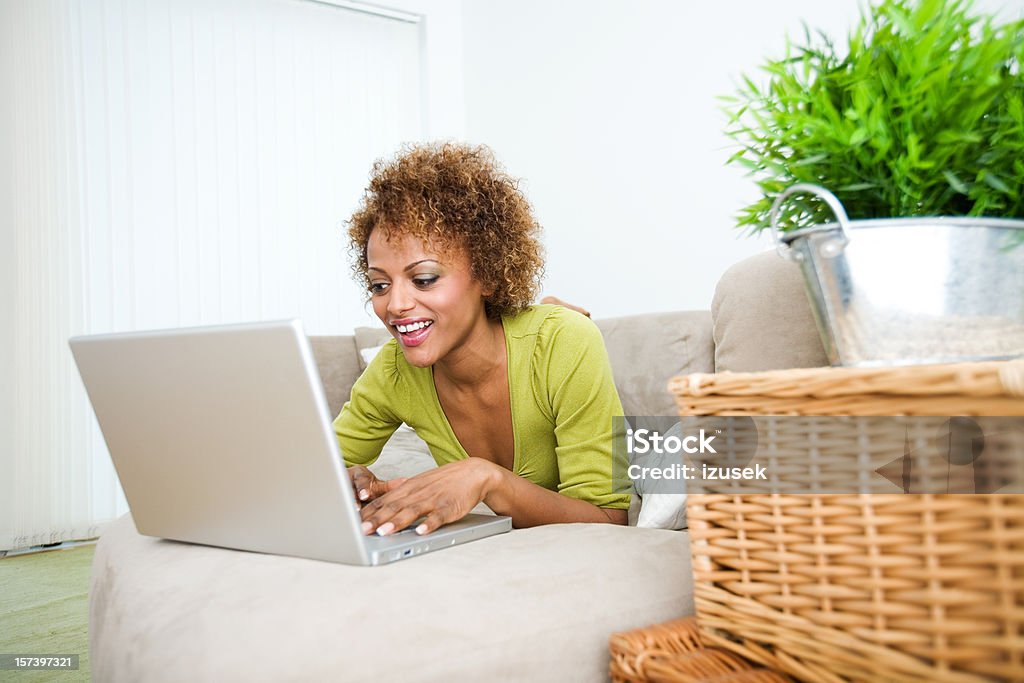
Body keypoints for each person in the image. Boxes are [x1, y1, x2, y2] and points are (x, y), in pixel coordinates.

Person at [334, 142, 629, 537]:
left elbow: (610, 520)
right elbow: (310, 471)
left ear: (487, 273)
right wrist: (343, 480)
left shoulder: (563, 343)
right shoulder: (393, 371)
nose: (395, 304)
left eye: (424, 279)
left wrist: (487, 478)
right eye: (379, 284)